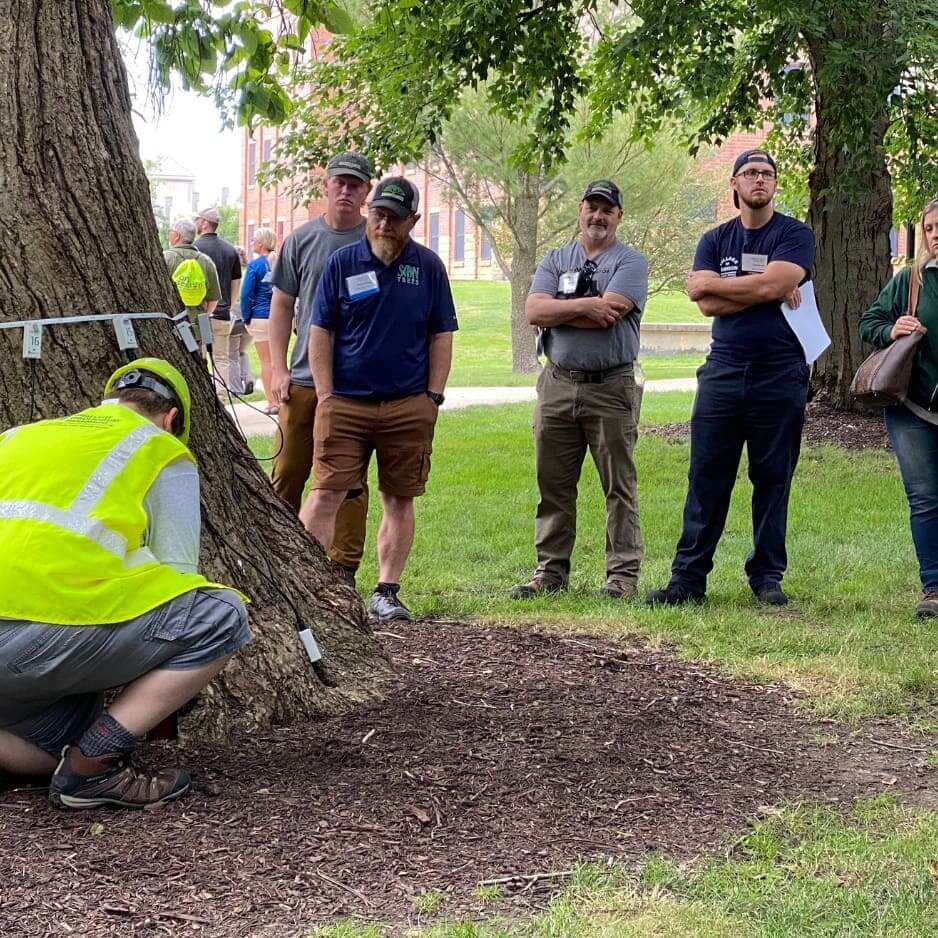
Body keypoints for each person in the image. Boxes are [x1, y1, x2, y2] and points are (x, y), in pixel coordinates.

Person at [0, 358, 251, 809]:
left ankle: (73, 758)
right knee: (221, 617)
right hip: (34, 637)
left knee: (62, 737)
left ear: (107, 400)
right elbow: (178, 574)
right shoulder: (158, 447)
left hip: (20, 656)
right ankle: (92, 770)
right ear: (171, 419)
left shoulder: (19, 436)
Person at [646, 149, 815, 607]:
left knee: (773, 477)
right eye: (750, 173)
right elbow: (704, 303)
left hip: (780, 373)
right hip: (722, 372)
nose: (759, 179)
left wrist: (734, 286)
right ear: (735, 185)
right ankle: (687, 580)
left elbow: (766, 284)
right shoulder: (715, 239)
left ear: (775, 184)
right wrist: (765, 290)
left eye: (767, 173)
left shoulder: (794, 234)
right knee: (706, 476)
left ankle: (766, 577)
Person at [300, 176, 458, 621]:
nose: (384, 224)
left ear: (414, 221)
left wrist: (433, 396)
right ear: (369, 212)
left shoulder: (427, 268)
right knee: (326, 492)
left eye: (395, 217)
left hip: (408, 404)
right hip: (346, 403)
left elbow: (441, 333)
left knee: (399, 497)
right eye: (379, 214)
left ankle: (386, 592)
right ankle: (308, 590)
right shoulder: (342, 262)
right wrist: (327, 395)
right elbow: (321, 331)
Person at [511, 180, 649, 600]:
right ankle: (550, 572)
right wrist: (587, 306)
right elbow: (533, 309)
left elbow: (611, 312)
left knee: (618, 485)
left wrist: (560, 312)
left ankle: (622, 576)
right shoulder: (557, 259)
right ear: (580, 210)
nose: (598, 216)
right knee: (552, 482)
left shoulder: (631, 262)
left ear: (619, 216)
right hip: (557, 384)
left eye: (607, 210)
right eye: (592, 207)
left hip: (611, 387)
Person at [269, 152, 374, 580]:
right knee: (288, 472)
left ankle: (341, 569)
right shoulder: (301, 240)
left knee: (349, 481)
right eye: (339, 183)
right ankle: (277, 557)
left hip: (357, 386)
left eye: (355, 184)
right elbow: (281, 306)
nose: (346, 191)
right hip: (304, 380)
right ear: (326, 187)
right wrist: (277, 368)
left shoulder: (378, 241)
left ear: (367, 192)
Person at [859, 198, 938, 618]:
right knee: (925, 497)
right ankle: (934, 587)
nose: (935, 234)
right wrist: (893, 328)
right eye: (929, 228)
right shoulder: (910, 281)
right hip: (912, 408)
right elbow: (868, 322)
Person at [194, 206, 244, 394]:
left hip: (199, 314)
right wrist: (229, 305)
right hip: (222, 313)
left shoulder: (195, 249)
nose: (196, 223)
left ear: (205, 223)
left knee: (200, 357)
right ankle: (221, 397)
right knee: (221, 359)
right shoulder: (230, 250)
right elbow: (236, 282)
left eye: (198, 219)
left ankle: (201, 394)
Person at [241, 229, 278, 412]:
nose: (251, 242)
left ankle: (272, 402)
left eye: (254, 239)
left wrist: (246, 317)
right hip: (280, 318)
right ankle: (281, 397)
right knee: (278, 361)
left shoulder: (255, 266)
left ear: (261, 243)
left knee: (266, 361)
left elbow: (246, 294)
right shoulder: (280, 263)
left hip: (260, 317)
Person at [163, 217, 221, 325]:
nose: (168, 236)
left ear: (177, 236)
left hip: (169, 322)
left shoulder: (165, 258)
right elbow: (213, 299)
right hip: (196, 325)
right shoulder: (206, 261)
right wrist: (202, 320)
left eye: (170, 232)